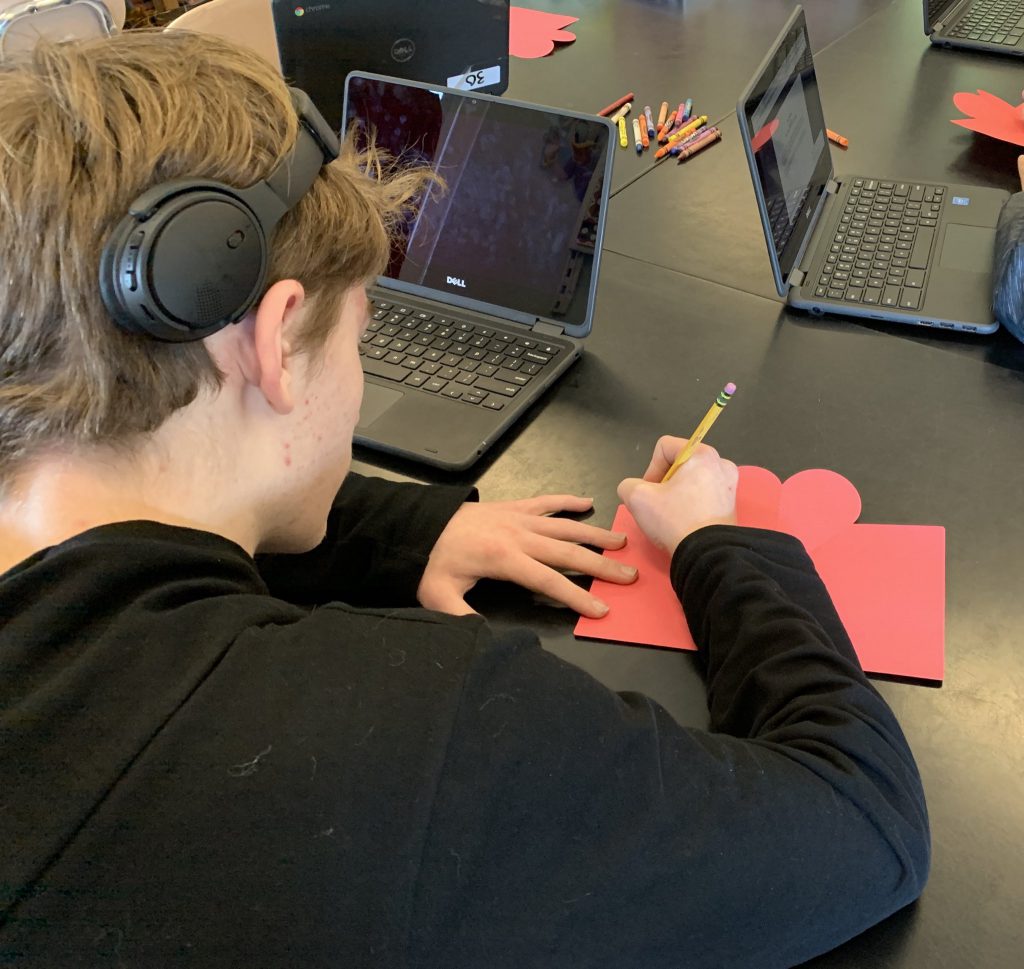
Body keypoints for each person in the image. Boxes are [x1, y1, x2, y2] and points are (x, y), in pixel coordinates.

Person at [0, 31, 929, 969]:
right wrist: (722, 546)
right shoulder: (405, 743)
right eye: (362, 329)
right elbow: (860, 815)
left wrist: (414, 525)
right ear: (276, 342)